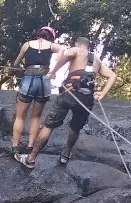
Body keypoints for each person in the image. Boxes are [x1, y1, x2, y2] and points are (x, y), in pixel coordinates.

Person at [15, 37, 117, 169]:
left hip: (70, 92)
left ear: (78, 44)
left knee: (48, 125)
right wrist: (102, 93)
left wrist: (53, 71)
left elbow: (68, 55)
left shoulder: (76, 50)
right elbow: (113, 76)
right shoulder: (96, 60)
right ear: (88, 46)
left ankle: (31, 159)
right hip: (86, 98)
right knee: (75, 127)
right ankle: (66, 153)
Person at [10, 26, 65, 155]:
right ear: (50, 36)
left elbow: (16, 63)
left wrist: (19, 68)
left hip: (29, 79)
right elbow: (62, 49)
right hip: (44, 81)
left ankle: (15, 146)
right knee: (36, 116)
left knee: (20, 116)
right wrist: (54, 70)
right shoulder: (52, 46)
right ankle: (30, 145)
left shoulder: (27, 45)